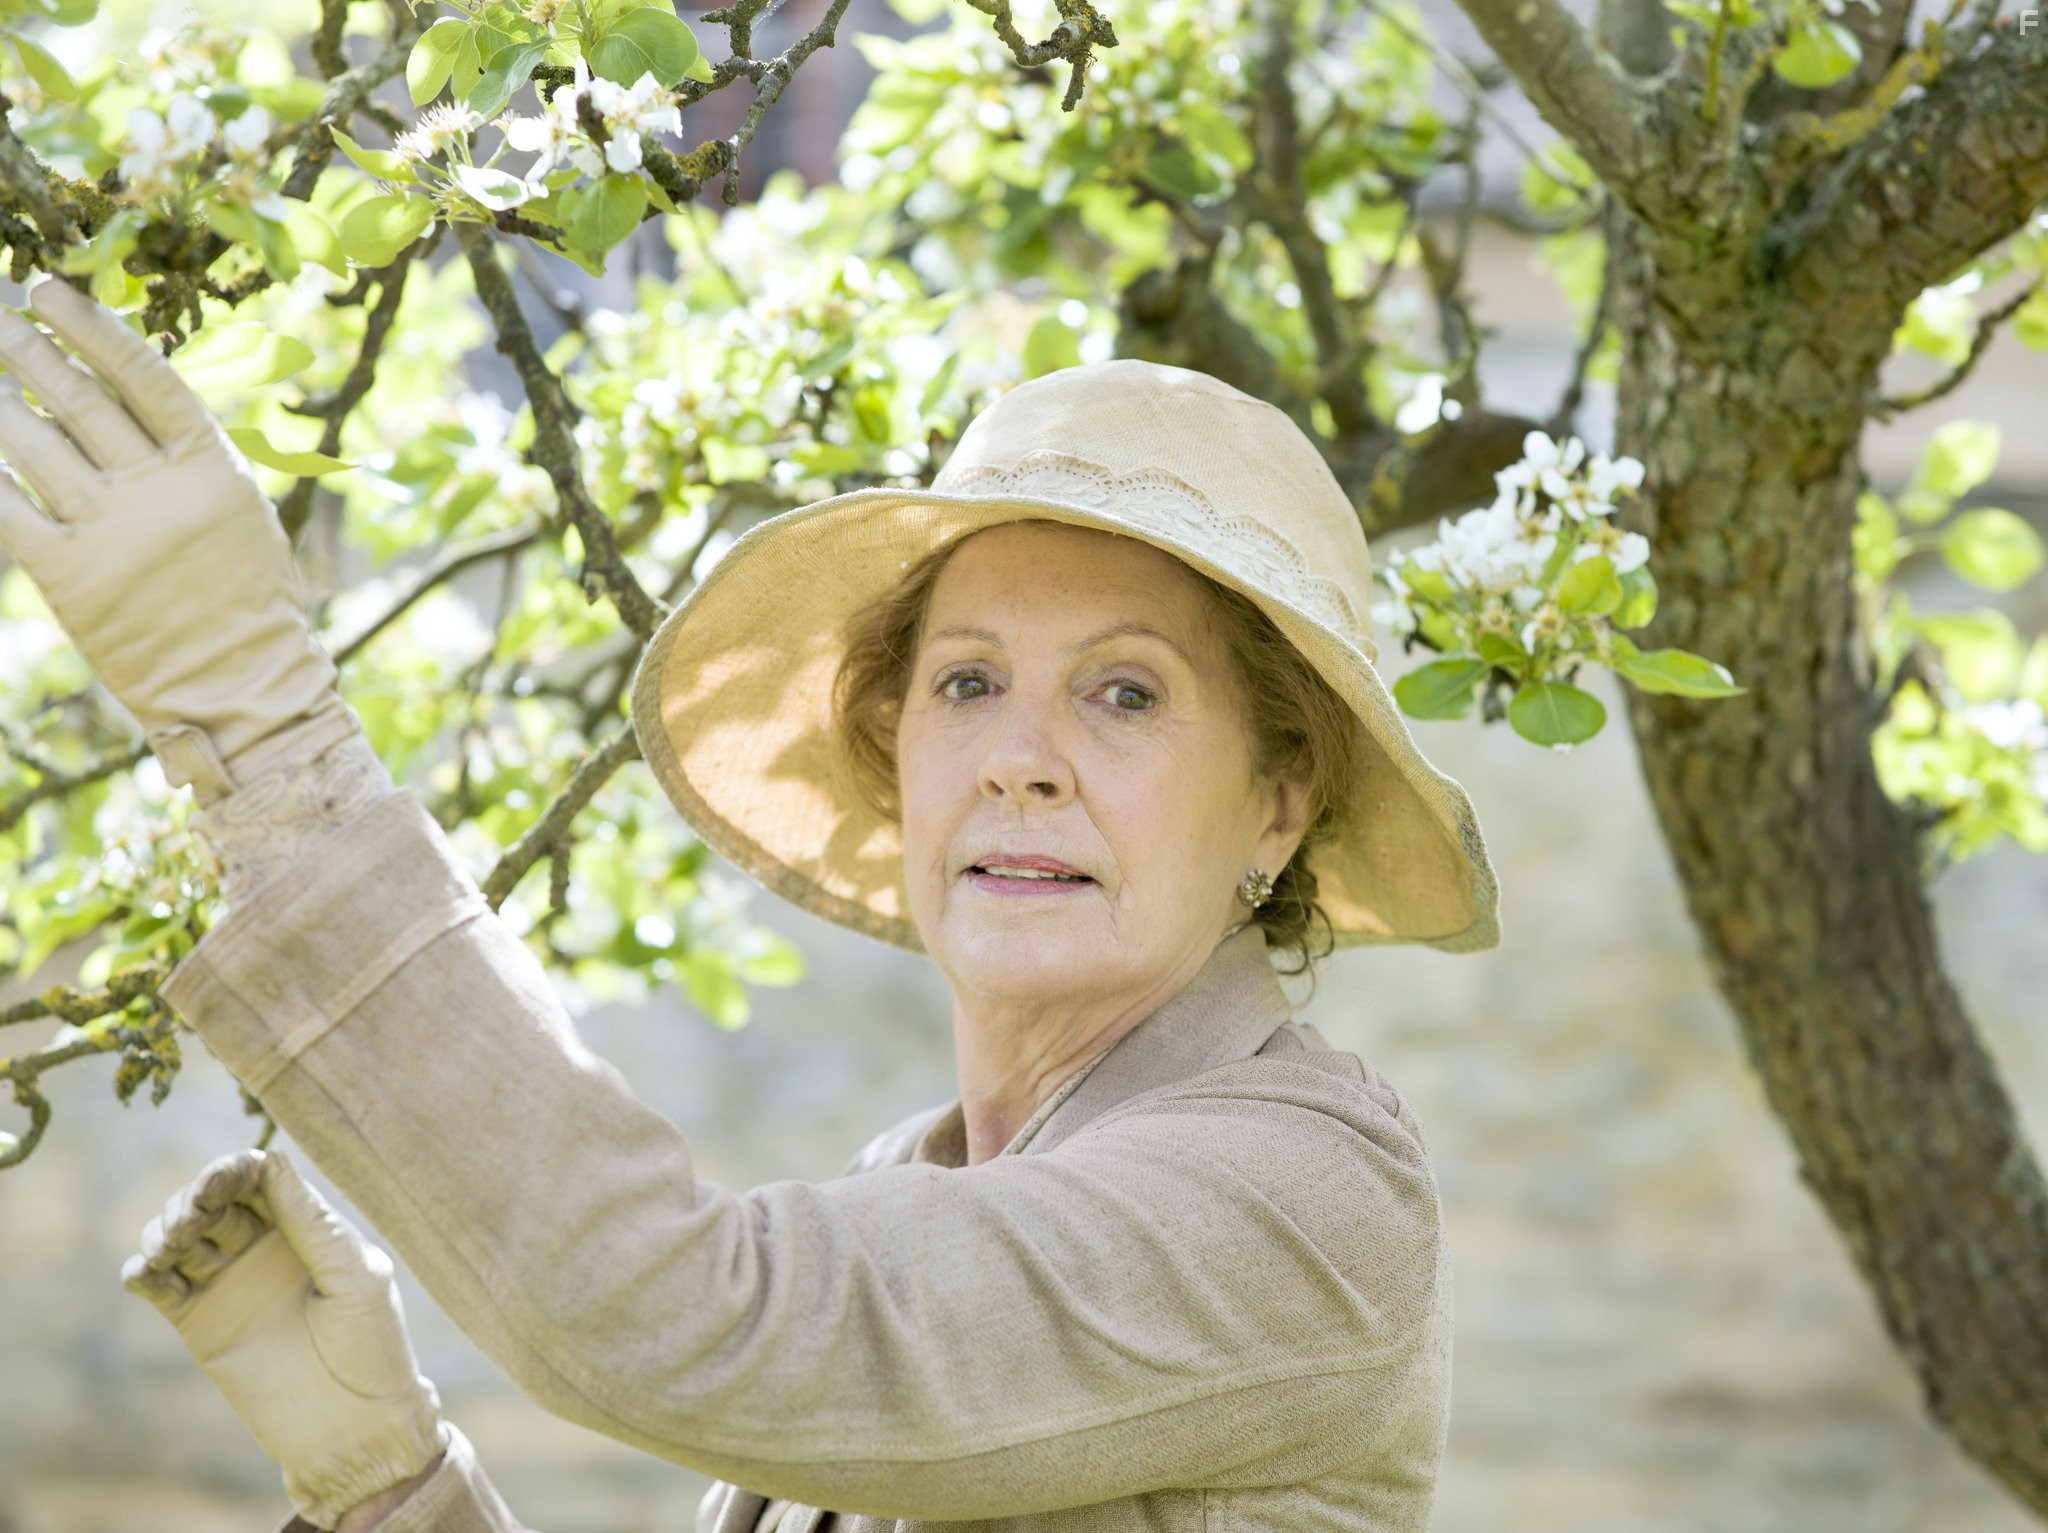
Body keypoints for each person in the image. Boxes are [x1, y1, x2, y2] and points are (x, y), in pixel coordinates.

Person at [0, 270, 1501, 1533]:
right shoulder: (907, 1187)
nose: (1021, 764)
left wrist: (264, 730)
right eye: (968, 681)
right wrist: (394, 1479)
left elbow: (696, 1318)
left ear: (1280, 800)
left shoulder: (1311, 1198)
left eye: (1125, 692)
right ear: (893, 742)